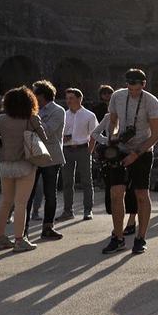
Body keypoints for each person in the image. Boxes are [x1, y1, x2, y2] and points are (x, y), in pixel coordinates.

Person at [0, 86, 47, 253]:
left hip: (5, 164)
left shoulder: (2, 119)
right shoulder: (32, 118)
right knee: (21, 203)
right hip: (25, 163)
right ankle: (20, 240)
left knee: (6, 202)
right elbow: (44, 138)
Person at [103, 69, 158, 254]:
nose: (132, 90)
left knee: (142, 195)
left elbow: (156, 135)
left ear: (143, 84)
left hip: (143, 149)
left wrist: (136, 154)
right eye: (129, 85)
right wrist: (113, 136)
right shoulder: (118, 96)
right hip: (121, 148)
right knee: (116, 193)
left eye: (136, 86)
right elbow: (112, 121)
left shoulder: (151, 101)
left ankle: (140, 237)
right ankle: (118, 237)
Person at [25, 80, 66, 240]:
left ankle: (48, 227)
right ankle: (23, 229)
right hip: (33, 155)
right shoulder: (32, 110)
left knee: (50, 194)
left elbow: (47, 132)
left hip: (51, 157)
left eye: (34, 94)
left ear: (42, 96)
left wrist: (33, 120)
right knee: (28, 193)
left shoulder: (58, 110)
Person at [92, 113, 137, 235]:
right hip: (112, 156)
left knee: (132, 189)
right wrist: (108, 141)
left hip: (130, 155)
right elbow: (95, 133)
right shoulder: (108, 117)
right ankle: (118, 226)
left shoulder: (132, 115)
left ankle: (132, 221)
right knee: (114, 192)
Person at [58, 87, 98, 221]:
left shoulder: (89, 115)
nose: (68, 101)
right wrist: (63, 139)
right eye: (67, 98)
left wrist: (90, 150)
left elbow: (94, 134)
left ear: (79, 99)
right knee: (67, 182)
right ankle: (67, 211)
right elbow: (59, 132)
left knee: (87, 181)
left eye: (71, 98)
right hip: (67, 149)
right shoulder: (64, 114)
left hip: (83, 149)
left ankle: (88, 210)